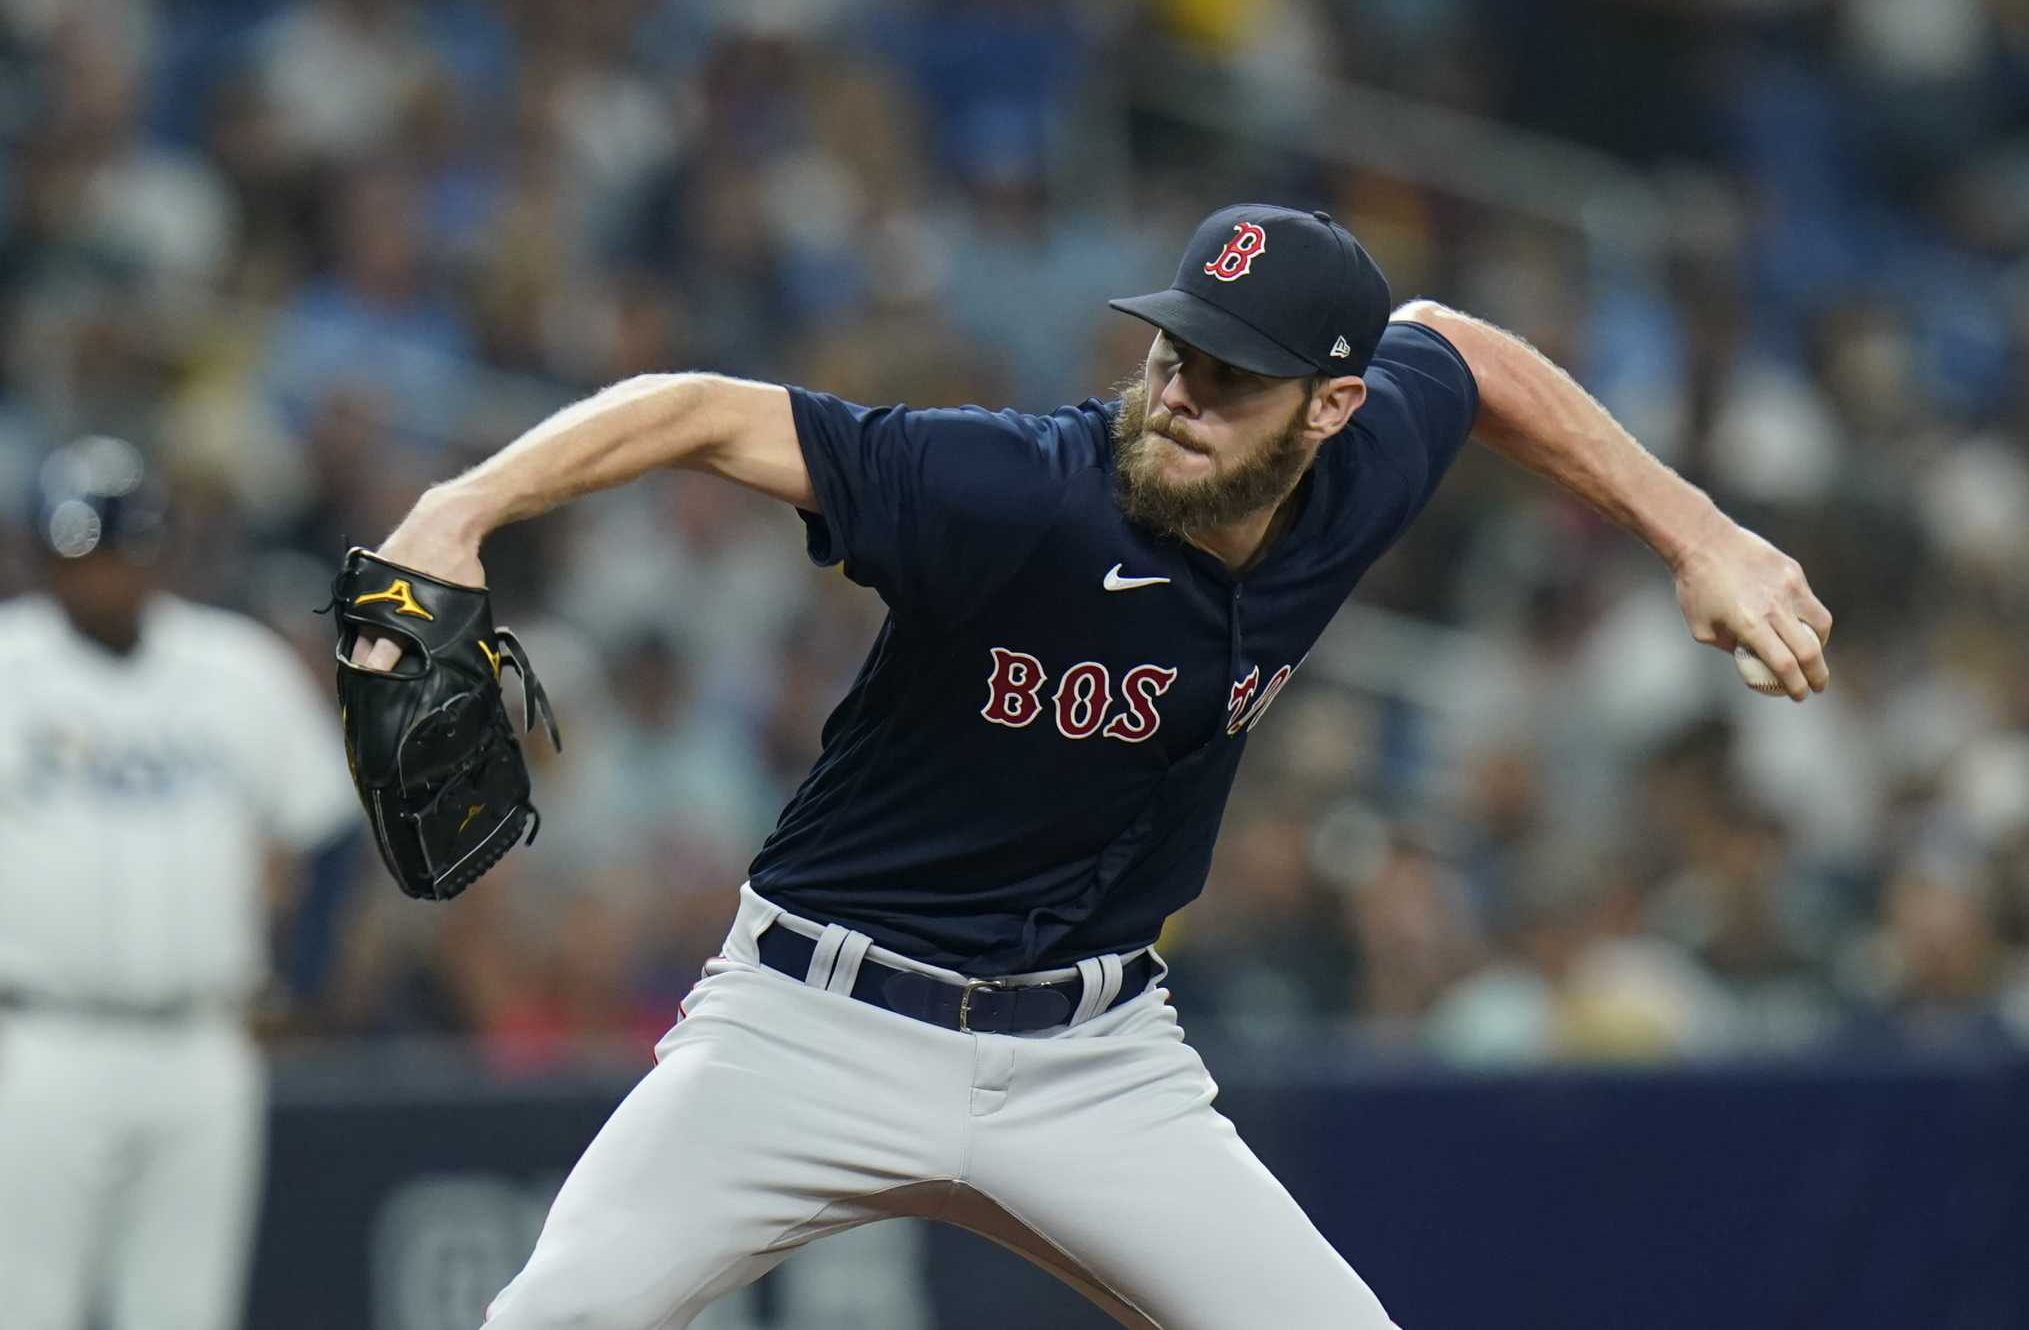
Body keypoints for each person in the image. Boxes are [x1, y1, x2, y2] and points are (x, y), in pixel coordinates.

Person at [350, 204, 1833, 1328]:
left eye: (1232, 375)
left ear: (1330, 407)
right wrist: (459, 506)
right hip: (812, 1025)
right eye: (1172, 349)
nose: (1181, 392)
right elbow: (702, 410)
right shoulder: (1018, 490)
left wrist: (1698, 533)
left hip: (1093, 1059)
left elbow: (1465, 348)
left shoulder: (1369, 463)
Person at [0, 436, 361, 1330]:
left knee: (185, 1313)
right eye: (87, 555)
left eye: (127, 550)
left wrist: (305, 979)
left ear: (161, 552)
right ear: (46, 558)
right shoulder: (10, 668)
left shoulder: (234, 668)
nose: (108, 576)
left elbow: (325, 824)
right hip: (44, 1039)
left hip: (204, 1042)